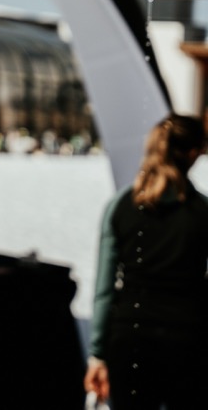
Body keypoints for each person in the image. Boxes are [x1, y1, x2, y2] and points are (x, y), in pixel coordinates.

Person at [84, 113, 208, 410]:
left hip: (131, 341)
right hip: (188, 342)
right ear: (193, 154)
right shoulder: (202, 211)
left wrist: (97, 354)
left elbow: (104, 290)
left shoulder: (120, 207)